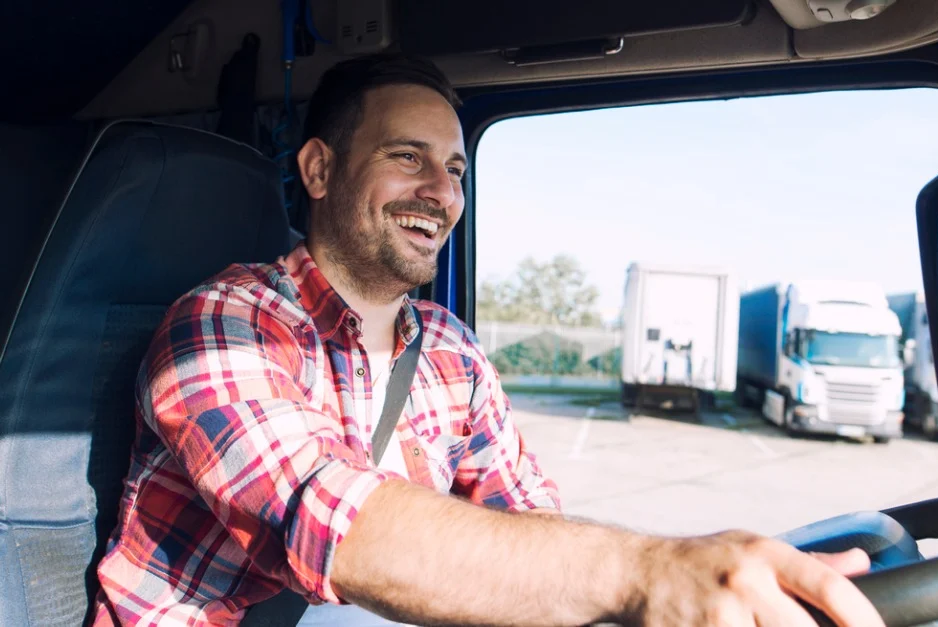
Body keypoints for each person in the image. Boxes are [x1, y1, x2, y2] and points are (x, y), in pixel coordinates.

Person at [91, 51, 884, 627]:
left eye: (458, 170)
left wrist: (706, 580)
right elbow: (328, 521)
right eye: (409, 158)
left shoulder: (450, 350)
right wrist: (645, 572)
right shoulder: (222, 324)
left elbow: (528, 522)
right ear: (321, 169)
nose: (441, 193)